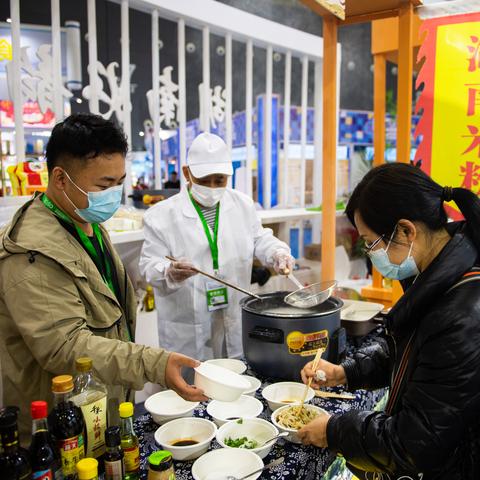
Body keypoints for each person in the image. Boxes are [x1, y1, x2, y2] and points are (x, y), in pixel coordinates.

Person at [0, 114, 205, 441]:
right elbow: (65, 348)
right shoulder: (31, 252)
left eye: (119, 181)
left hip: (97, 410)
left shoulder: (86, 223)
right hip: (58, 429)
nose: (113, 194)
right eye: (103, 185)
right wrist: (152, 363)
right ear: (61, 179)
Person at [298, 163, 480, 479]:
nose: (371, 253)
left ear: (406, 231)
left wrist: (334, 430)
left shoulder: (460, 315)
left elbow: (413, 443)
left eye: (371, 242)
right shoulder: (437, 271)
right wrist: (345, 372)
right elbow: (410, 350)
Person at [139, 132, 294, 360]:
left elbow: (259, 238)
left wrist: (277, 252)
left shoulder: (242, 204)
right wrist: (168, 271)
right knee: (190, 386)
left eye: (219, 180)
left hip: (233, 315)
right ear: (186, 173)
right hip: (186, 327)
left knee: (235, 379)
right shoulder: (160, 216)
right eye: (204, 180)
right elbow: (148, 265)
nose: (212, 187)